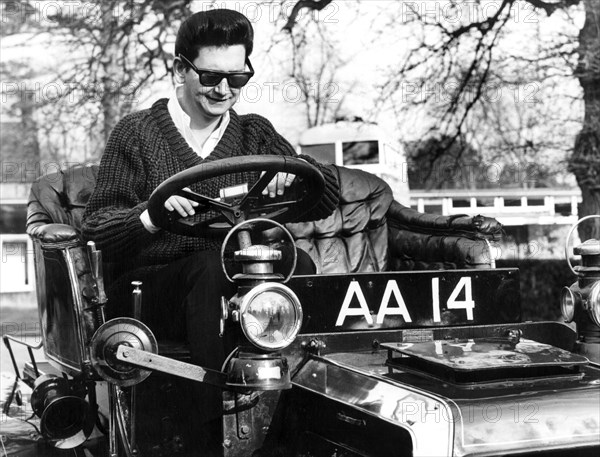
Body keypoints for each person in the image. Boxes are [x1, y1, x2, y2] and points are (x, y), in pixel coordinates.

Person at [82, 8, 339, 454]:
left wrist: (298, 175)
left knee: (303, 267)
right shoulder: (137, 134)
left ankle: (304, 432)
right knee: (205, 270)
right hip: (151, 290)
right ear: (180, 68)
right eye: (211, 77)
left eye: (237, 79)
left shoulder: (254, 133)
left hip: (232, 279)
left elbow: (325, 196)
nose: (224, 90)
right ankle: (205, 443)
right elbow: (98, 231)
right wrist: (150, 215)